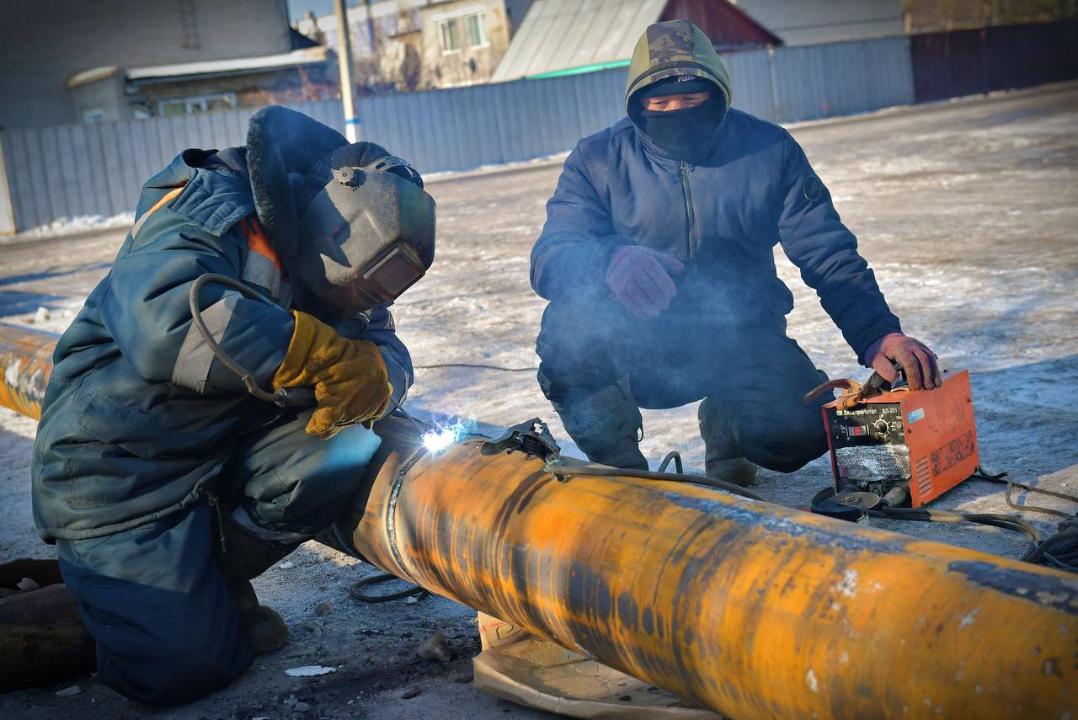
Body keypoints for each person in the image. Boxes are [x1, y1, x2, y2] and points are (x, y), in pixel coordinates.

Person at [30, 107, 433, 704]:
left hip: (214, 454)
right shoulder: (210, 212)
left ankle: (206, 582)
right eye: (360, 286)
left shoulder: (331, 269)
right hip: (119, 479)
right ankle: (149, 604)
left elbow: (381, 340)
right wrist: (311, 354)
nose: (361, 303)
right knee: (181, 673)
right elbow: (165, 321)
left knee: (345, 444)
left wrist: (380, 372)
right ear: (332, 228)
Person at [530, 20, 941, 486]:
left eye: (690, 100)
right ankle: (623, 467)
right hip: (639, 347)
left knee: (801, 430)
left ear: (718, 92)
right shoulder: (598, 159)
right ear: (636, 103)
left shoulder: (768, 151)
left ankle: (727, 426)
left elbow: (826, 252)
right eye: (659, 102)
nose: (675, 113)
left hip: (739, 338)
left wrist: (879, 334)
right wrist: (610, 259)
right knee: (567, 334)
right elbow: (551, 256)